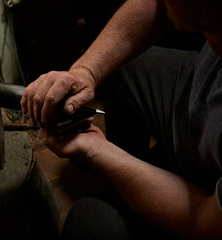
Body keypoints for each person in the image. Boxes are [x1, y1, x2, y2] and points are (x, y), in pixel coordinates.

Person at [20, 0, 222, 239]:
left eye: (204, 27)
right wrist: (86, 71)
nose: (177, 25)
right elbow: (155, 4)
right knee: (117, 60)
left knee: (90, 222)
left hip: (206, 204)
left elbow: (202, 220)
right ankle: (135, 176)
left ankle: (137, 185)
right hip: (197, 91)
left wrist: (98, 152)